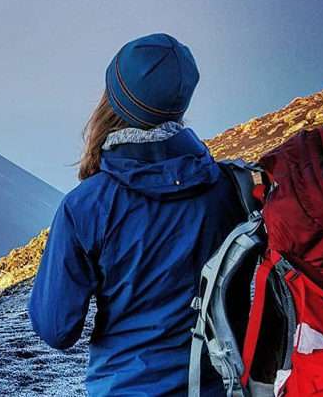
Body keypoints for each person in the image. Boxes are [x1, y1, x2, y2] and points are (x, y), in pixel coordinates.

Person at [28, 33, 244, 396]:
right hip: (218, 387)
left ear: (111, 99)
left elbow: (56, 329)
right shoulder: (230, 189)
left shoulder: (86, 206)